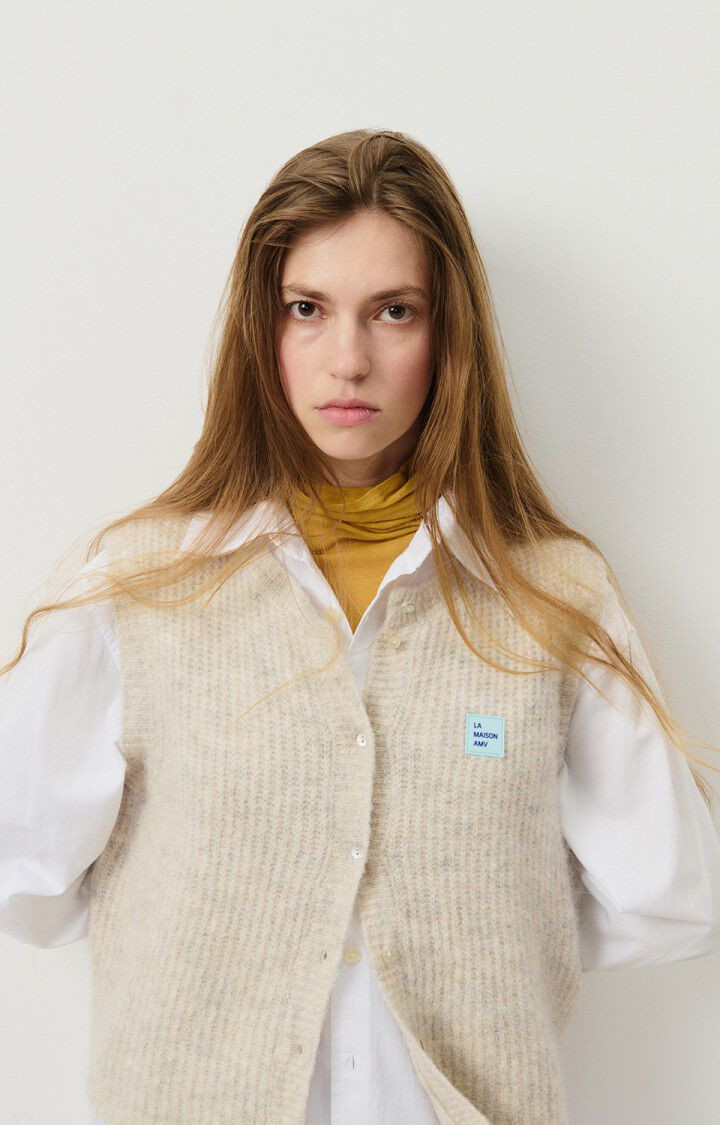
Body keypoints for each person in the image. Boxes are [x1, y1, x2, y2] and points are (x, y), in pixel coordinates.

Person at [2, 127, 719, 1125]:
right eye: (307, 309)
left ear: (448, 334)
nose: (348, 360)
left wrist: (477, 934)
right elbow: (26, 877)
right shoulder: (140, 582)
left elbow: (667, 896)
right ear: (261, 330)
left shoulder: (554, 595)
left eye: (394, 311)